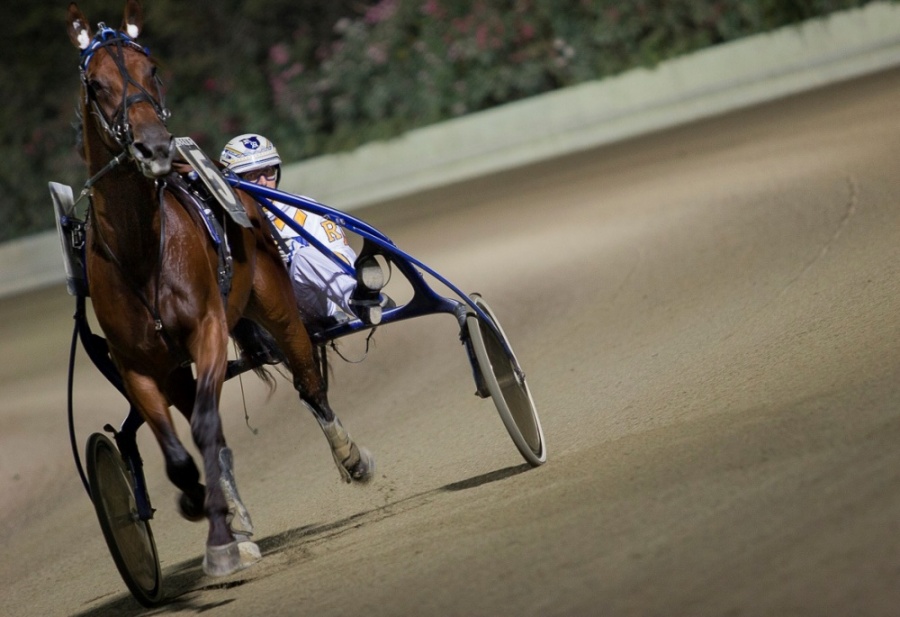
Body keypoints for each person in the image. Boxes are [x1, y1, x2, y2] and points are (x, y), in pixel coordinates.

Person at [219, 133, 389, 327]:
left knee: (304, 258)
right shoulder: (225, 225)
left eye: (268, 171)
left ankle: (362, 302)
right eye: (252, 176)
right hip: (262, 316)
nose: (264, 182)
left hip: (309, 304)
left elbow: (339, 253)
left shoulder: (303, 209)